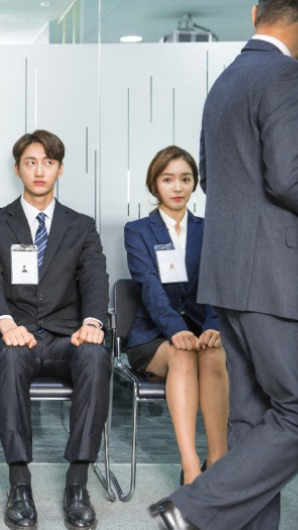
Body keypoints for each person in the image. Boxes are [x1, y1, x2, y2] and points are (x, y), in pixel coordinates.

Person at [148, 2, 298, 530]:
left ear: (255, 12)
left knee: (253, 420)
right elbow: (288, 179)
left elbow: (210, 178)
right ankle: (192, 506)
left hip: (228, 275)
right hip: (273, 277)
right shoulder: (284, 76)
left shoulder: (226, 81)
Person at [0, 129, 110, 530]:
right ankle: (19, 483)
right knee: (11, 355)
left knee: (96, 355)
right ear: (17, 169)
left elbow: (95, 279)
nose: (39, 170)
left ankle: (77, 483)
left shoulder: (81, 226)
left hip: (68, 337)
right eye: (30, 162)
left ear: (59, 169)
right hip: (14, 337)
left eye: (48, 162)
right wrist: (5, 324)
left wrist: (92, 323)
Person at [125, 147, 228, 487]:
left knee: (212, 352)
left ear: (194, 183)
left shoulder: (210, 229)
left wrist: (213, 326)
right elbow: (149, 286)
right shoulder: (138, 230)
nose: (178, 187)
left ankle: (218, 461)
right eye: (168, 179)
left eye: (185, 179)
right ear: (155, 184)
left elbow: (218, 284)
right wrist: (176, 329)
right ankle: (190, 468)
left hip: (201, 330)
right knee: (183, 354)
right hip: (153, 337)